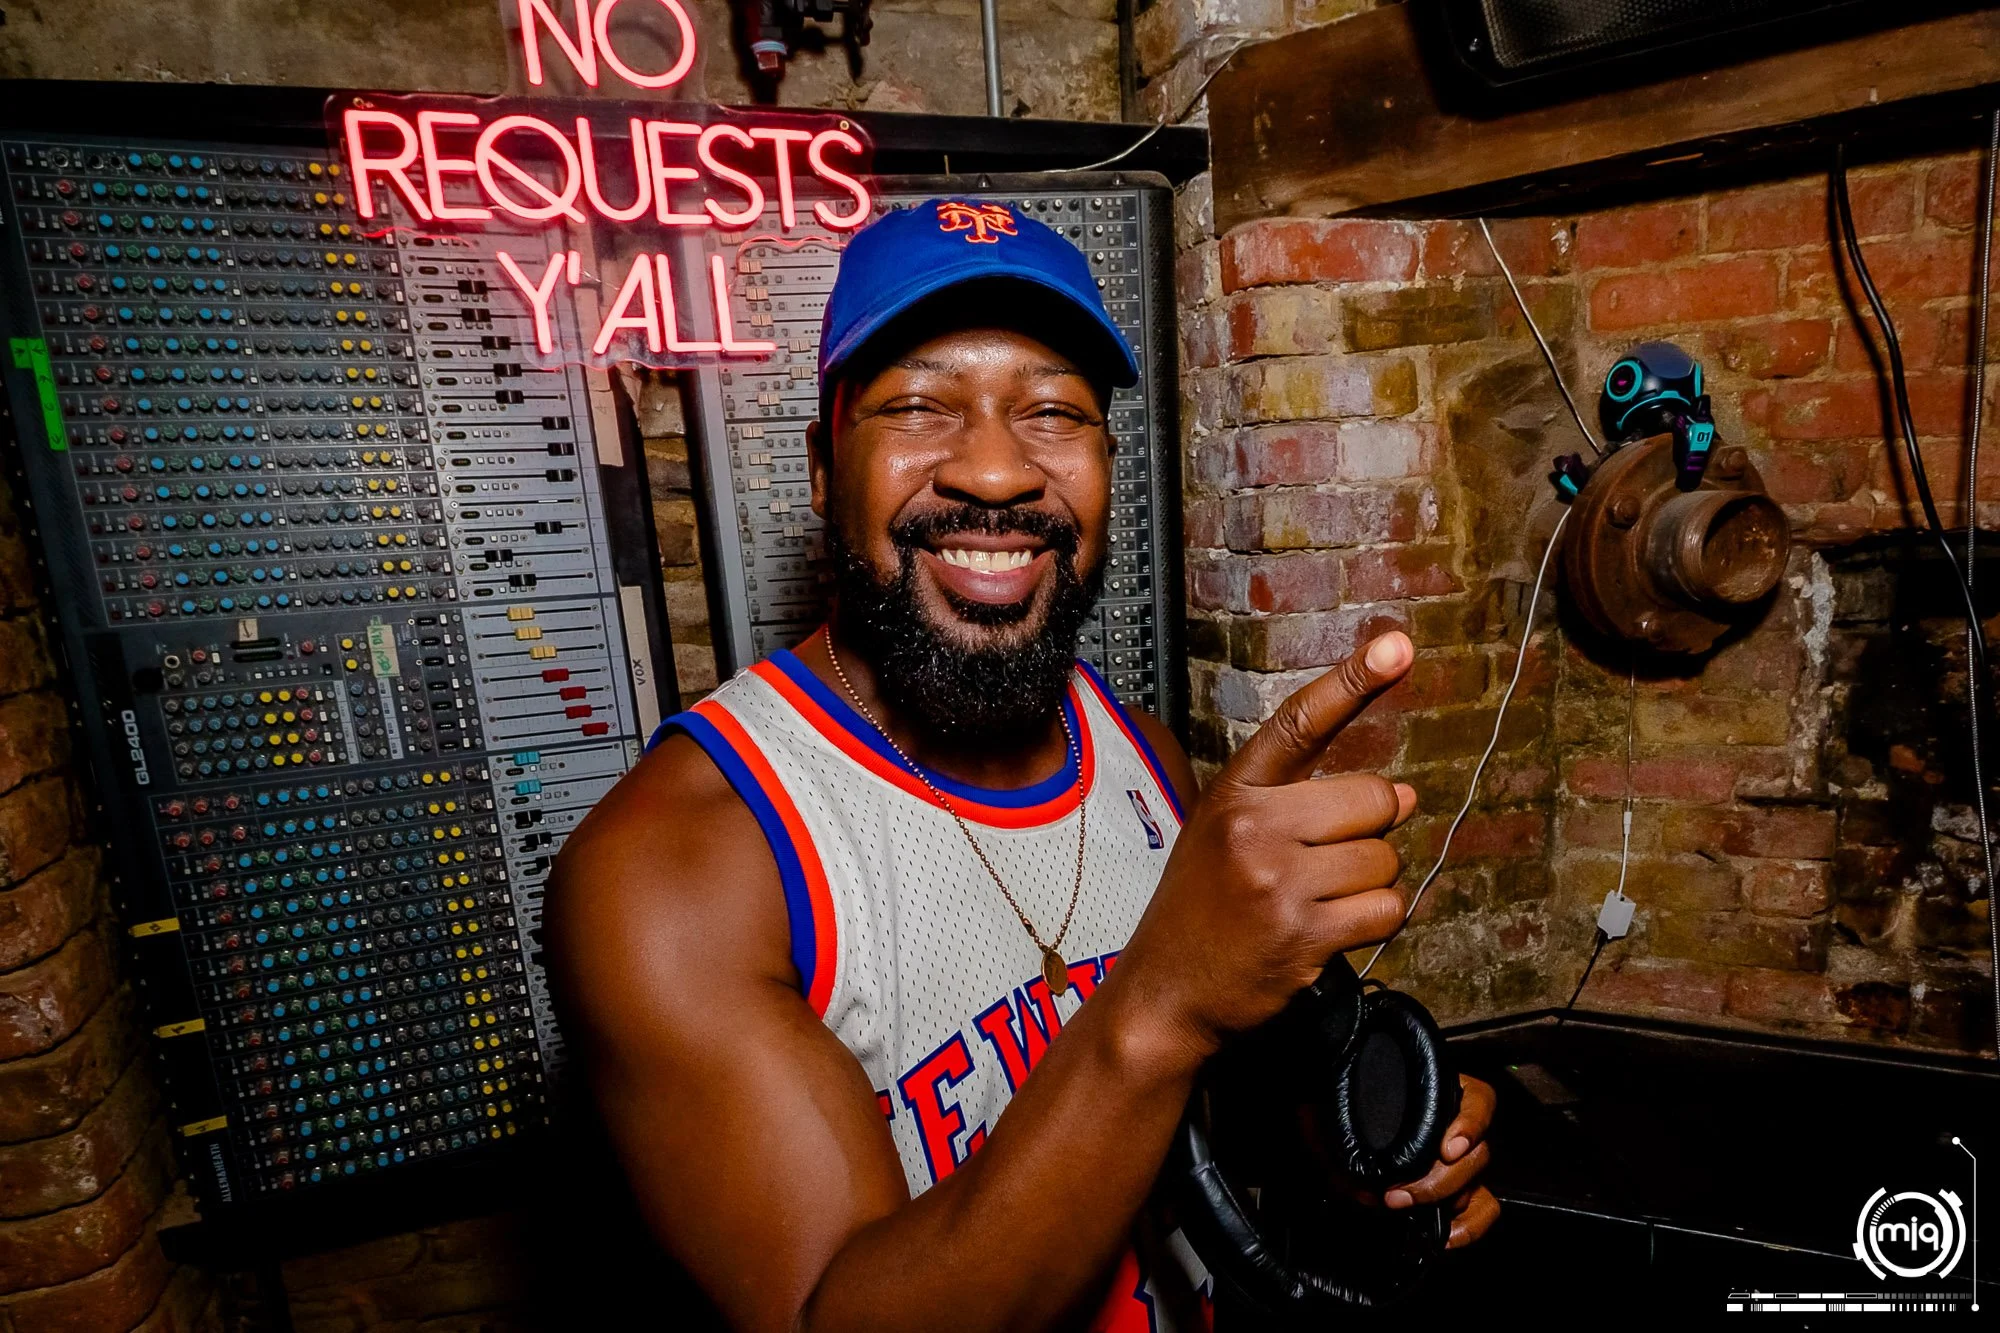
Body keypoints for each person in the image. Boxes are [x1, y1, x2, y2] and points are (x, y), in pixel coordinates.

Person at [547, 199, 1498, 1331]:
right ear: (823, 468)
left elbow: (1200, 1128)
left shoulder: (1139, 756)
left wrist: (1348, 1145)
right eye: (918, 404)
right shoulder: (676, 867)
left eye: (1053, 411)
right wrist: (1158, 1005)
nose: (996, 472)